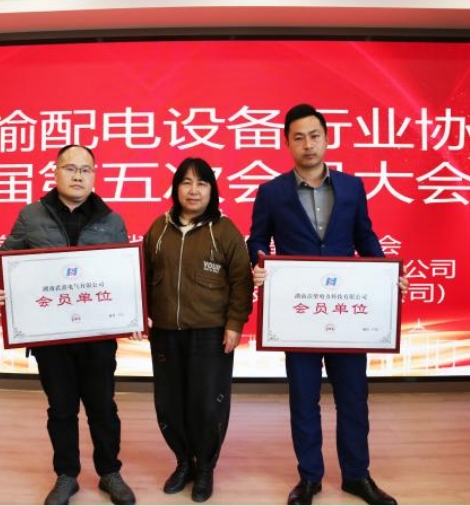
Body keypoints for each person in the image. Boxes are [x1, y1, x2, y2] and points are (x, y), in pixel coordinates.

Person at [247, 104, 407, 506]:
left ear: (327, 138)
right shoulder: (271, 192)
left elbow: (364, 237)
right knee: (304, 399)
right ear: (287, 143)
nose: (308, 144)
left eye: (314, 135)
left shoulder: (352, 187)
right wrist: (259, 264)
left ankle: (357, 475)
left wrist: (387, 276)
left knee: (353, 396)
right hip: (299, 313)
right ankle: (309, 478)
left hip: (345, 312)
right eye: (298, 137)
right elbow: (257, 240)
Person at [0, 144, 136, 506]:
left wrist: (131, 311)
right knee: (60, 408)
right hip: (50, 336)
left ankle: (110, 472)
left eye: (85, 170)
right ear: (55, 172)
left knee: (103, 407)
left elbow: (123, 274)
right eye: (70, 168)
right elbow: (6, 260)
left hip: (97, 336)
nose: (77, 176)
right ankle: (66, 475)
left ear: (94, 176)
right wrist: (3, 287)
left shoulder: (112, 220)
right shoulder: (31, 215)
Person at [142, 157, 254, 503]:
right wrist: (139, 316)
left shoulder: (225, 230)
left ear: (212, 190)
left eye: (201, 183)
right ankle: (183, 463)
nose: (193, 190)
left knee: (206, 405)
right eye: (186, 182)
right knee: (170, 403)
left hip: (210, 333)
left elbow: (241, 282)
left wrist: (234, 324)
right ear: (176, 188)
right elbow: (141, 276)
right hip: (166, 332)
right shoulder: (158, 229)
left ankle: (205, 467)